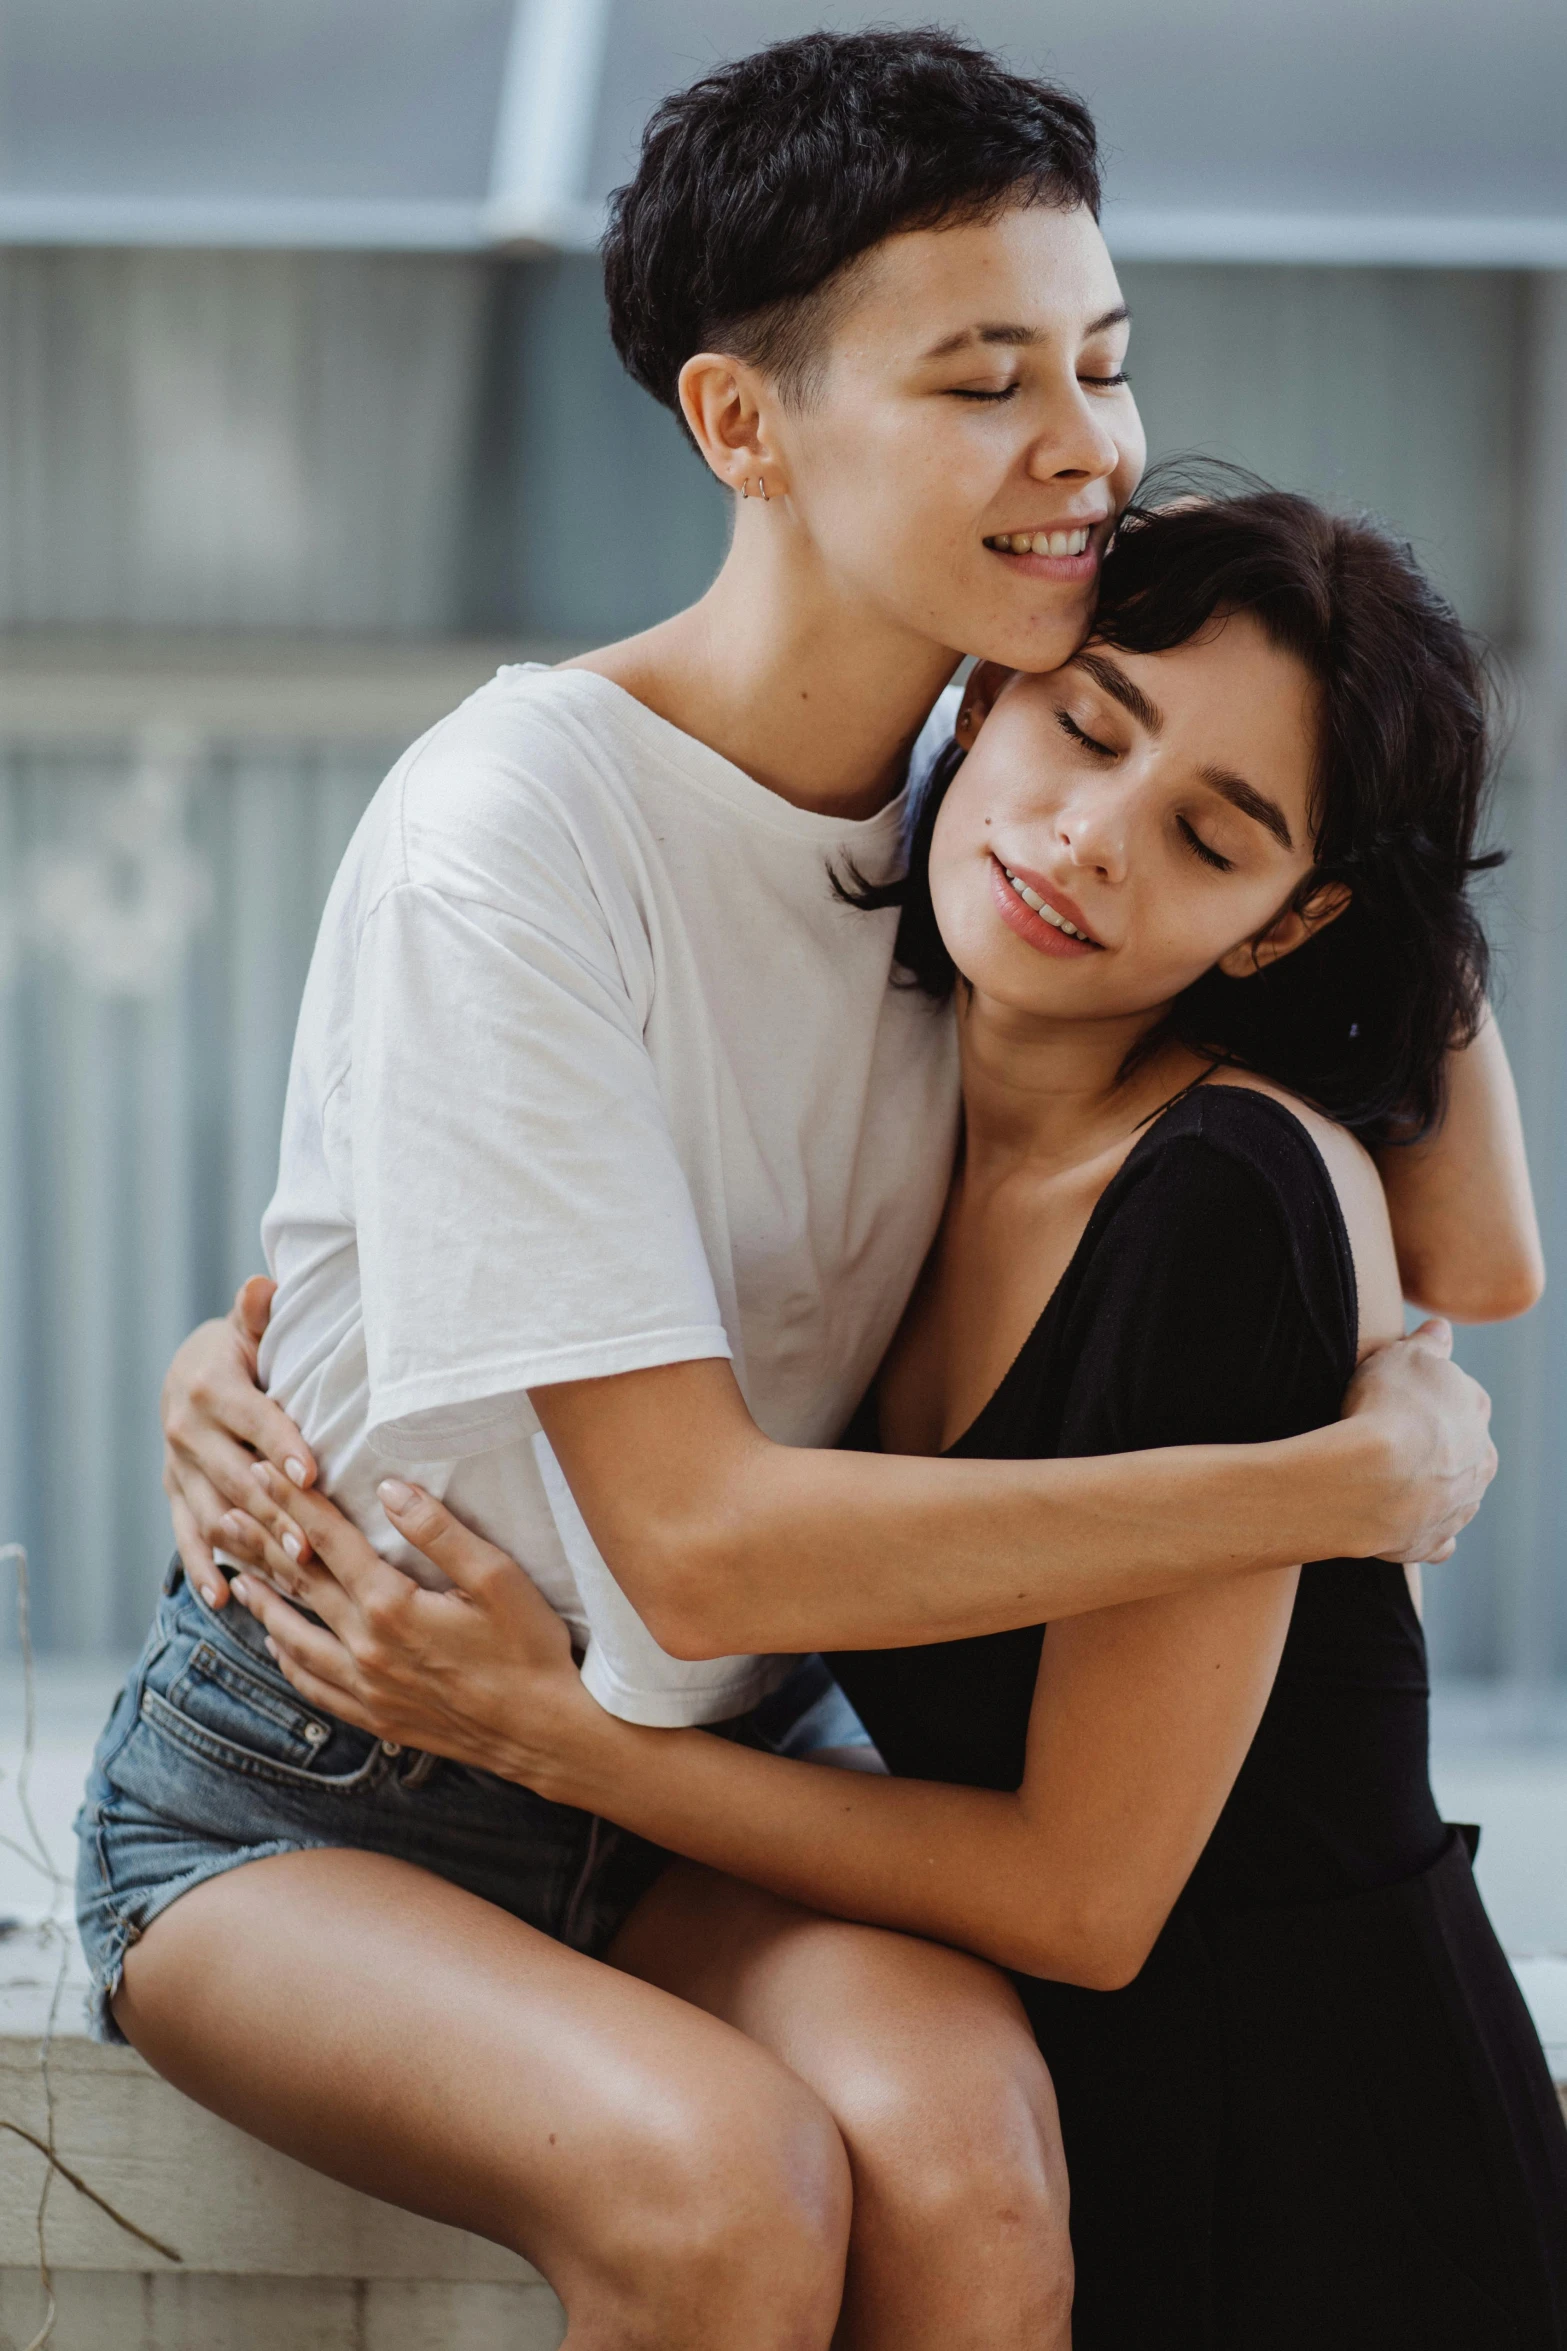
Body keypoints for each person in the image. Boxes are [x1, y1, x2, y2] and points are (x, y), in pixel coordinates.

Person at [85, 31, 1524, 2351]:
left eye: (1107, 365)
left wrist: (1327, 728)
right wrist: (1321, 1485)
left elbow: (1477, 1250)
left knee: (971, 2160)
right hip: (329, 1777)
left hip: (706, 1778)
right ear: (744, 429)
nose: (1083, 448)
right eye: (987, 382)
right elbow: (700, 1539)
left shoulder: (1004, 781)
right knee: (727, 2184)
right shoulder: (518, 829)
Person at [238, 489, 1567, 2347]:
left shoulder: (1223, 1197)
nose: (1089, 841)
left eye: (1209, 837)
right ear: (979, 698)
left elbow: (1085, 1899)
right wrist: (235, 1370)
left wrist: (570, 1746)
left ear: (1284, 925)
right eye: (1082, 724)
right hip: (1088, 2116)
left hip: (1324, 2165)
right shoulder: (887, 1069)